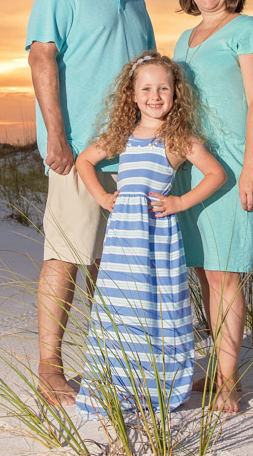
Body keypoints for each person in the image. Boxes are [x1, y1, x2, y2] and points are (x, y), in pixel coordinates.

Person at [25, 0, 156, 406]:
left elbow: (150, 76)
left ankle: (116, 362)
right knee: (66, 255)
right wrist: (56, 134)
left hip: (134, 155)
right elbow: (41, 58)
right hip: (80, 152)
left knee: (117, 262)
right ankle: (50, 370)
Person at [74, 51, 225, 419]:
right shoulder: (123, 136)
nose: (154, 95)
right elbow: (83, 161)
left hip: (157, 238)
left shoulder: (179, 139)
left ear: (175, 93)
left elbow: (216, 174)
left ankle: (158, 384)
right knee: (120, 307)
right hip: (123, 239)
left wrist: (180, 203)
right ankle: (118, 383)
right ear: (132, 94)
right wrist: (102, 196)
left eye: (163, 88)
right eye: (146, 88)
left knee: (158, 305)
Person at [171, 0, 253, 413]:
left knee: (224, 272)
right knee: (202, 271)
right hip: (191, 167)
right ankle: (217, 366)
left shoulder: (247, 30)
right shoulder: (183, 40)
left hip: (231, 166)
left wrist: (251, 164)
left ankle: (229, 381)